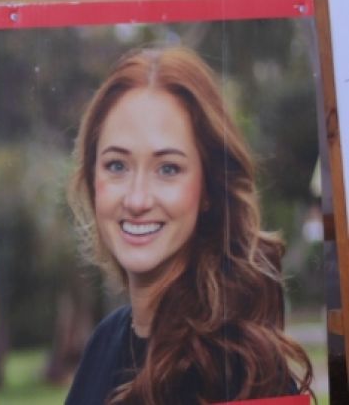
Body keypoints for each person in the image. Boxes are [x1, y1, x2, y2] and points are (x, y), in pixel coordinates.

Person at [64, 46, 311, 404]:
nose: (137, 200)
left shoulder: (238, 371)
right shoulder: (105, 342)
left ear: (208, 188)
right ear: (90, 178)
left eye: (168, 169)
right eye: (117, 165)